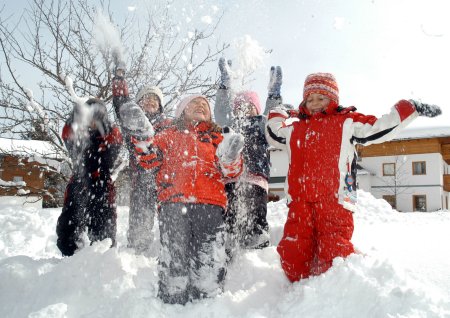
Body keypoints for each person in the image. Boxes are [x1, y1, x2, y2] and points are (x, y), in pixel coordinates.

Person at [265, 72, 442, 282]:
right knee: (294, 250)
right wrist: (278, 111)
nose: (315, 104)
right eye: (310, 99)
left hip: (336, 200)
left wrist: (410, 108)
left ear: (333, 100)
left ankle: (338, 284)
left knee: (334, 249)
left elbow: (379, 127)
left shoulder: (346, 122)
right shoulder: (295, 129)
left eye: (321, 98)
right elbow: (274, 133)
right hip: (300, 200)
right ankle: (297, 287)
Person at [136, 94, 244, 305]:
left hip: (210, 203)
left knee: (209, 255)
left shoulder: (217, 138)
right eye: (194, 103)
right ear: (182, 110)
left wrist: (231, 159)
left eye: (204, 105)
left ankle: (208, 300)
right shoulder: (168, 135)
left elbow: (230, 173)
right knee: (175, 252)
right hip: (173, 203)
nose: (200, 106)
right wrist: (140, 135)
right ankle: (172, 298)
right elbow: (147, 159)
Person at [215, 58, 284, 255]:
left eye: (249, 105)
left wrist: (274, 94)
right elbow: (220, 113)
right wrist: (224, 87)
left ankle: (258, 246)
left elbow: (275, 118)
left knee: (256, 213)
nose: (244, 108)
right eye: (240, 106)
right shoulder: (231, 123)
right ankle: (229, 244)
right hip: (232, 178)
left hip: (256, 178)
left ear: (257, 107)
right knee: (230, 213)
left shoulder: (262, 123)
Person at [112, 68, 171, 255]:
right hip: (141, 180)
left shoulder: (168, 124)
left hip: (166, 180)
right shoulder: (132, 123)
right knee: (140, 222)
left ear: (160, 105)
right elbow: (121, 104)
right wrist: (119, 80)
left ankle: (170, 250)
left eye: (155, 99)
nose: (151, 101)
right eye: (147, 98)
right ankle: (138, 252)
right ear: (139, 103)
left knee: (171, 221)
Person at [56, 98, 123, 256]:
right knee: (68, 226)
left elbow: (116, 141)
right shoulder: (78, 136)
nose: (93, 121)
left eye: (97, 117)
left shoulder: (109, 137)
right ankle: (71, 259)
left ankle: (101, 260)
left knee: (103, 231)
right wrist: (74, 118)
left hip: (102, 187)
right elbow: (67, 134)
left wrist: (106, 125)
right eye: (90, 116)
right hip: (79, 184)